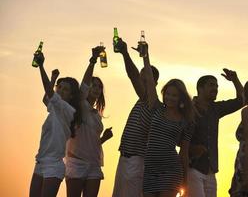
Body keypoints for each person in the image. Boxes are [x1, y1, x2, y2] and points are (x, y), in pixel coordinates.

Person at [142, 43, 194, 197]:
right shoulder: (156, 108)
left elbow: (184, 153)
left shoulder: (186, 122)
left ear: (181, 98)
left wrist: (185, 181)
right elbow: (150, 82)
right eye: (168, 94)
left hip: (170, 171)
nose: (170, 98)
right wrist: (146, 55)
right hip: (150, 169)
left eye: (174, 95)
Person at [29, 52, 81, 197]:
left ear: (71, 95)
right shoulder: (54, 106)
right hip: (40, 162)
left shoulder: (67, 110)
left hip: (54, 164)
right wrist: (53, 79)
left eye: (65, 89)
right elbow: (47, 98)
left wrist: (41, 66)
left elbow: (49, 93)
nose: (61, 90)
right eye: (60, 87)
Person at [112, 39, 159, 197]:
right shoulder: (142, 100)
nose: (140, 78)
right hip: (125, 158)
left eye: (144, 76)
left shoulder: (151, 101)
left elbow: (132, 76)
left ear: (153, 82)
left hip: (136, 161)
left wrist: (126, 53)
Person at [65, 46, 113, 197]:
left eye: (100, 87)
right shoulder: (80, 106)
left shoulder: (96, 115)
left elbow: (91, 142)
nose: (97, 88)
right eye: (94, 85)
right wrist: (93, 61)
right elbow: (83, 85)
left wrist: (104, 138)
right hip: (76, 162)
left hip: (94, 164)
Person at [188, 70, 244, 197]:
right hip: (193, 168)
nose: (215, 88)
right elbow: (177, 137)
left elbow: (242, 100)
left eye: (217, 86)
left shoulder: (216, 109)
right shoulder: (188, 108)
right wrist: (192, 148)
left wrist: (235, 80)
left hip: (211, 171)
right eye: (211, 85)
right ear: (200, 88)